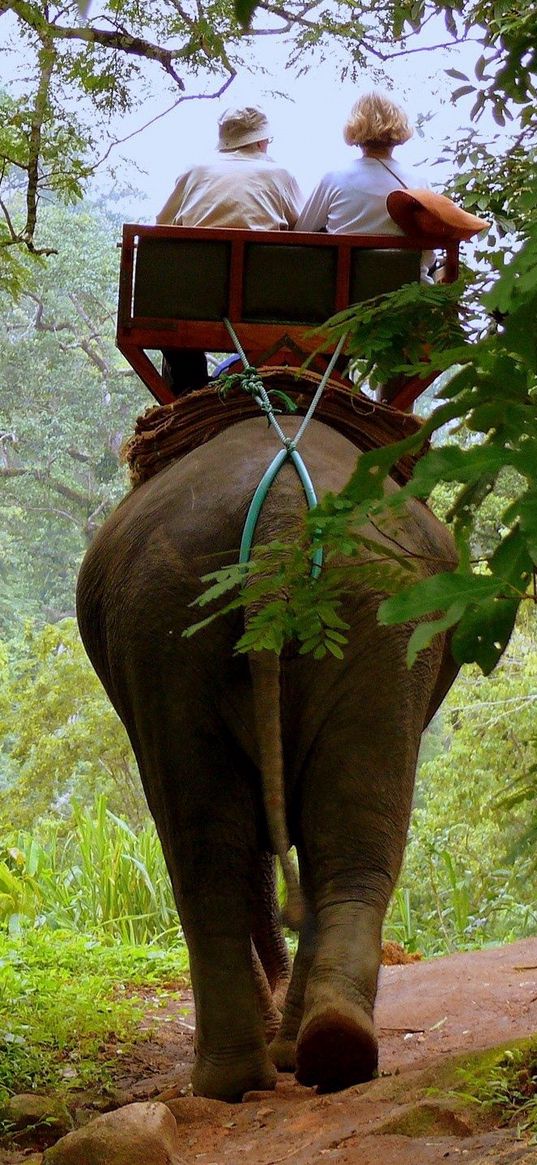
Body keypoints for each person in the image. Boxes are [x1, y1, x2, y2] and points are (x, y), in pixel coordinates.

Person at [157, 106, 303, 395]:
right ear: (262, 142)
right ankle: (258, 375)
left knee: (175, 317)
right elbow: (305, 232)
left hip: (195, 302)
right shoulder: (280, 175)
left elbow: (162, 227)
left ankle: (188, 390)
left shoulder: (195, 172)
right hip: (265, 305)